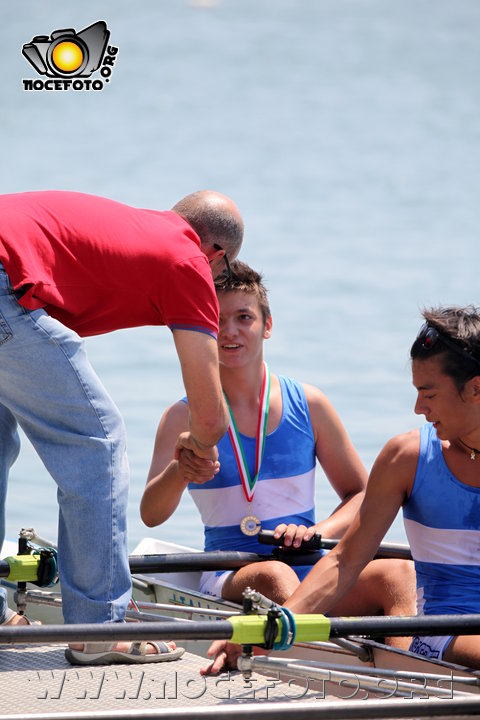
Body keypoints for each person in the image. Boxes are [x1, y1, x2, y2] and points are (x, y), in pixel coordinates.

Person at [0, 188, 243, 664]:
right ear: (215, 254)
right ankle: (99, 628)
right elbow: (211, 415)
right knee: (97, 442)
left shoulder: (138, 229)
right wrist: (200, 443)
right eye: (225, 272)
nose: (216, 280)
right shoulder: (187, 259)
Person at [141, 261, 415, 652]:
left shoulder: (310, 404)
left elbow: (362, 496)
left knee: (400, 575)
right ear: (203, 328)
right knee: (273, 573)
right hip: (231, 573)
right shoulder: (181, 417)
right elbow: (151, 513)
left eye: (244, 317)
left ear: (267, 326)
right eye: (217, 320)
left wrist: (318, 532)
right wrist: (179, 471)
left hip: (311, 565)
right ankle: (318, 661)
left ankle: (405, 676)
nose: (230, 330)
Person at [205, 304, 480, 673]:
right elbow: (344, 560)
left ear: (476, 388)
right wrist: (273, 626)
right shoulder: (407, 458)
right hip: (441, 633)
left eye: (428, 395)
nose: (417, 408)